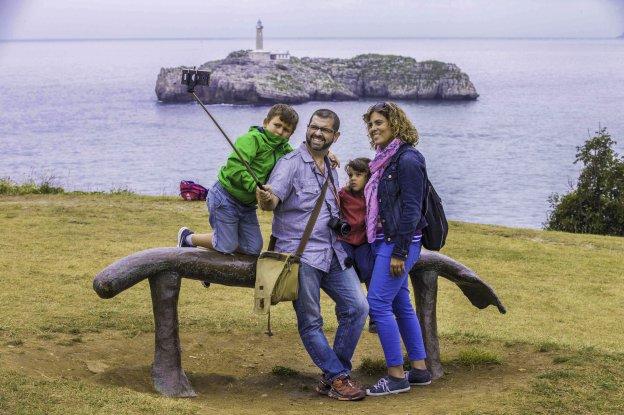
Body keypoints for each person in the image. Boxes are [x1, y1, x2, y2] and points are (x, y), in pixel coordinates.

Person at [256, 109, 369, 401]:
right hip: (300, 255)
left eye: (325, 130)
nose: (318, 133)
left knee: (357, 308)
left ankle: (334, 374)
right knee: (310, 321)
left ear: (335, 136)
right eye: (314, 128)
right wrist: (266, 198)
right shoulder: (289, 164)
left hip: (333, 251)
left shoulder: (331, 165)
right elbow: (271, 201)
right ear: (307, 129)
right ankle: (338, 378)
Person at [361, 102, 433, 397]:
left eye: (379, 122)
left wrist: (400, 252)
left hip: (397, 243)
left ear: (395, 124)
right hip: (384, 239)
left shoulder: (407, 159)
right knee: (400, 304)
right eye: (371, 124)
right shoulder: (382, 159)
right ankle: (419, 369)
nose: (374, 128)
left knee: (377, 305)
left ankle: (395, 376)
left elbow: (412, 210)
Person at [176, 104, 299, 256]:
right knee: (226, 245)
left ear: (290, 134)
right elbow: (235, 168)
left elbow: (299, 158)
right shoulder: (250, 139)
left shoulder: (284, 149)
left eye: (286, 130)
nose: (280, 132)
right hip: (224, 197)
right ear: (266, 122)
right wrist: (255, 187)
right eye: (277, 125)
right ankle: (188, 238)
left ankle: (216, 241)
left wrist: (326, 155)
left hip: (247, 206)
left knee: (253, 248)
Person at [337, 158, 377, 332]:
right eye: (350, 175)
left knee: (368, 269)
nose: (353, 178)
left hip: (363, 241)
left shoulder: (373, 195)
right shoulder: (343, 195)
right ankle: (343, 310)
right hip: (345, 241)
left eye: (358, 175)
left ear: (368, 176)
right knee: (346, 270)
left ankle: (374, 317)